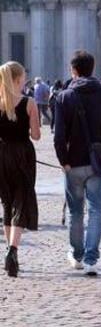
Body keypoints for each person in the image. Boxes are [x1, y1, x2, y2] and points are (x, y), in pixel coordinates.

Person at [55, 51, 101, 277]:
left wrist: (62, 160)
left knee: (75, 212)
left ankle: (77, 255)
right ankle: (92, 259)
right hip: (98, 162)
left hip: (72, 161)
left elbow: (58, 135)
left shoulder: (64, 97)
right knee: (96, 210)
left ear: (73, 70)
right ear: (93, 69)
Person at [0, 62, 41, 277]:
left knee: (7, 203)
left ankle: (8, 251)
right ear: (17, 79)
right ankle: (13, 250)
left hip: (1, 155)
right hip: (22, 156)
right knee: (21, 201)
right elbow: (35, 135)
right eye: (24, 76)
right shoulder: (29, 102)